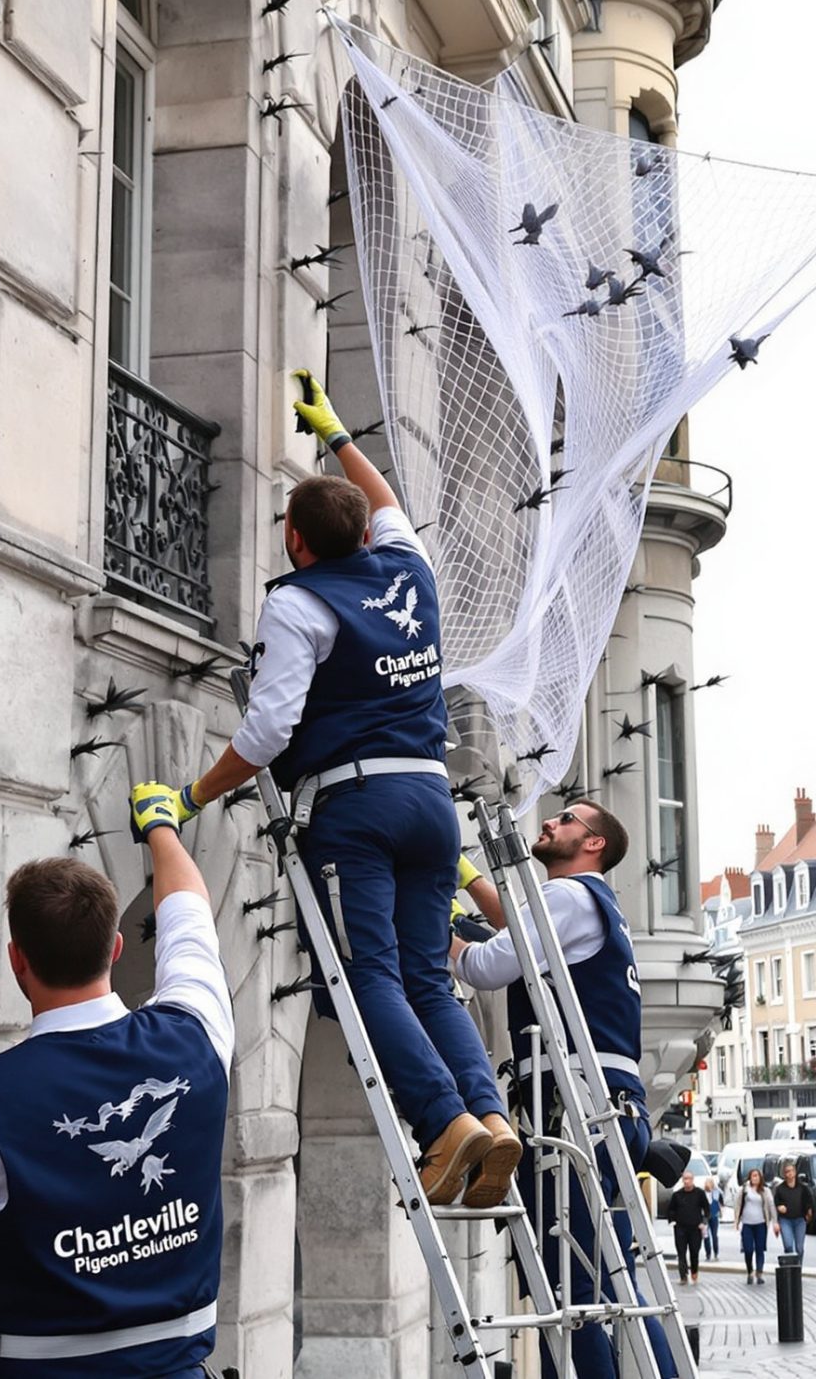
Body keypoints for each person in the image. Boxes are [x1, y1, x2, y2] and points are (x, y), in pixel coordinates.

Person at [168, 370, 514, 1209]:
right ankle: (491, 1119)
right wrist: (339, 437)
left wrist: (191, 797)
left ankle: (443, 1124)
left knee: (372, 980)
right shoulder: (409, 567)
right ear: (361, 531)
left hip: (357, 807)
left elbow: (269, 730)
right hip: (433, 802)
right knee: (430, 976)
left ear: (294, 540)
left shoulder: (299, 604)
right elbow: (386, 499)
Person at [0, 786, 233, 1375]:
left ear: (17, 959)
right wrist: (161, 829)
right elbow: (191, 919)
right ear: (116, 947)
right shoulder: (198, 1035)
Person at [452, 800, 681, 1376]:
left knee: (573, 1291)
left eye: (566, 820)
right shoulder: (590, 904)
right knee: (619, 1278)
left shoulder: (566, 895)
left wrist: (425, 924)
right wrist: (465, 878)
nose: (549, 823)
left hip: (571, 1110)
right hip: (610, 1107)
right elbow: (522, 933)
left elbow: (484, 966)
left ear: (593, 843)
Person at [667, 1173, 710, 1284]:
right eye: (685, 1179)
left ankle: (694, 1271)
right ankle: (683, 1276)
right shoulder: (677, 1195)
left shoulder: (699, 1193)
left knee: (694, 1252)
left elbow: (706, 1209)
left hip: (695, 1228)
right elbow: (671, 1209)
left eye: (689, 1179)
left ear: (692, 1180)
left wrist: (704, 1222)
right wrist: (672, 1220)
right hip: (681, 1228)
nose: (687, 1181)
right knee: (681, 1253)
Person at [769, 1159, 814, 1256]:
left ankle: (797, 1269)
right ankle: (790, 1267)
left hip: (800, 1220)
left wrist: (809, 1213)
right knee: (788, 1246)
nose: (789, 1174)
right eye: (786, 1172)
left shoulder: (802, 1188)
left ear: (795, 1172)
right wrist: (779, 1208)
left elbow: (809, 1202)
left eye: (791, 1171)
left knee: (799, 1248)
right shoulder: (780, 1189)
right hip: (785, 1220)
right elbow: (775, 1203)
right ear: (784, 1174)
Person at [734, 1169, 771, 1284]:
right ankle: (750, 1271)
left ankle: (759, 1273)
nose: (755, 1178)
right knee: (748, 1249)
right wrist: (736, 1221)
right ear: (749, 1177)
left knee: (760, 1249)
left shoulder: (765, 1191)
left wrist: (773, 1220)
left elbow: (770, 1205)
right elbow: (737, 1204)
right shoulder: (743, 1190)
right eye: (753, 1176)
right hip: (747, 1224)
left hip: (760, 1223)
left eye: (757, 1176)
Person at [705, 1169, 723, 1262]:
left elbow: (720, 1203)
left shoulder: (716, 1192)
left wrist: (720, 1212)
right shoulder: (703, 1193)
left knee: (714, 1235)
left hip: (714, 1215)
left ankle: (716, 1253)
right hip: (704, 1217)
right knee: (706, 1235)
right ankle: (708, 1253)